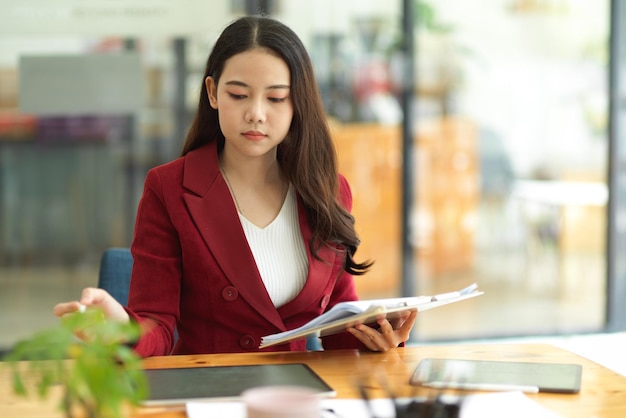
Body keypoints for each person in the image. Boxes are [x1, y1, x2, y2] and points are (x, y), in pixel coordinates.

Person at [53, 15, 417, 357]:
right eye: (238, 95)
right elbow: (158, 327)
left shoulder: (327, 190)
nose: (256, 113)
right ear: (212, 93)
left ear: (297, 104)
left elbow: (337, 321)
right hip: (211, 389)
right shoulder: (168, 188)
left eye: (275, 98)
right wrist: (120, 329)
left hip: (300, 392)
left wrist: (377, 333)